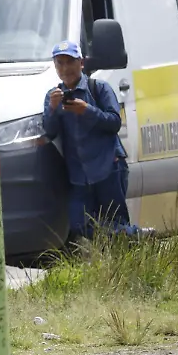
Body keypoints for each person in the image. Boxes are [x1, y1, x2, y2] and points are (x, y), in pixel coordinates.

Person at [42, 41, 140, 240]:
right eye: (59, 63)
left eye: (70, 62)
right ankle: (135, 235)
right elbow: (50, 132)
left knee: (116, 220)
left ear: (81, 63)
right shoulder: (53, 96)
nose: (65, 68)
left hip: (109, 168)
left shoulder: (99, 88)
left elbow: (114, 122)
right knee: (79, 222)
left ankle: (126, 246)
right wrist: (52, 109)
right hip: (80, 175)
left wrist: (87, 110)